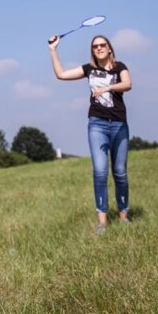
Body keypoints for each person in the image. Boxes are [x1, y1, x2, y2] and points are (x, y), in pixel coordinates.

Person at [47, 33, 132, 234]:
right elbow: (61, 74)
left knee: (120, 172)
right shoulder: (89, 69)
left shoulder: (120, 67)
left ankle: (124, 217)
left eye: (102, 45)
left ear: (109, 48)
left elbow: (127, 84)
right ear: (92, 51)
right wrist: (53, 50)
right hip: (97, 124)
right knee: (100, 172)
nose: (99, 48)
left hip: (119, 124)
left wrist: (107, 87)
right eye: (95, 46)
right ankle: (102, 223)